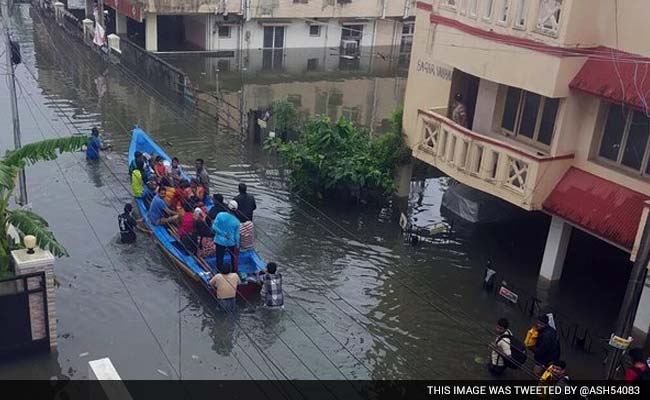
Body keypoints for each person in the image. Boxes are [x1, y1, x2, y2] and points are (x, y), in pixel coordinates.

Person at [212, 200, 241, 272]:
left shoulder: (220, 215)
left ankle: (219, 271)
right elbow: (237, 236)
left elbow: (214, 227)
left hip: (219, 241)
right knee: (233, 258)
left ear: (228, 207)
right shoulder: (237, 221)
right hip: (231, 243)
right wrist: (237, 246)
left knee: (219, 257)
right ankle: (234, 272)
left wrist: (223, 234)